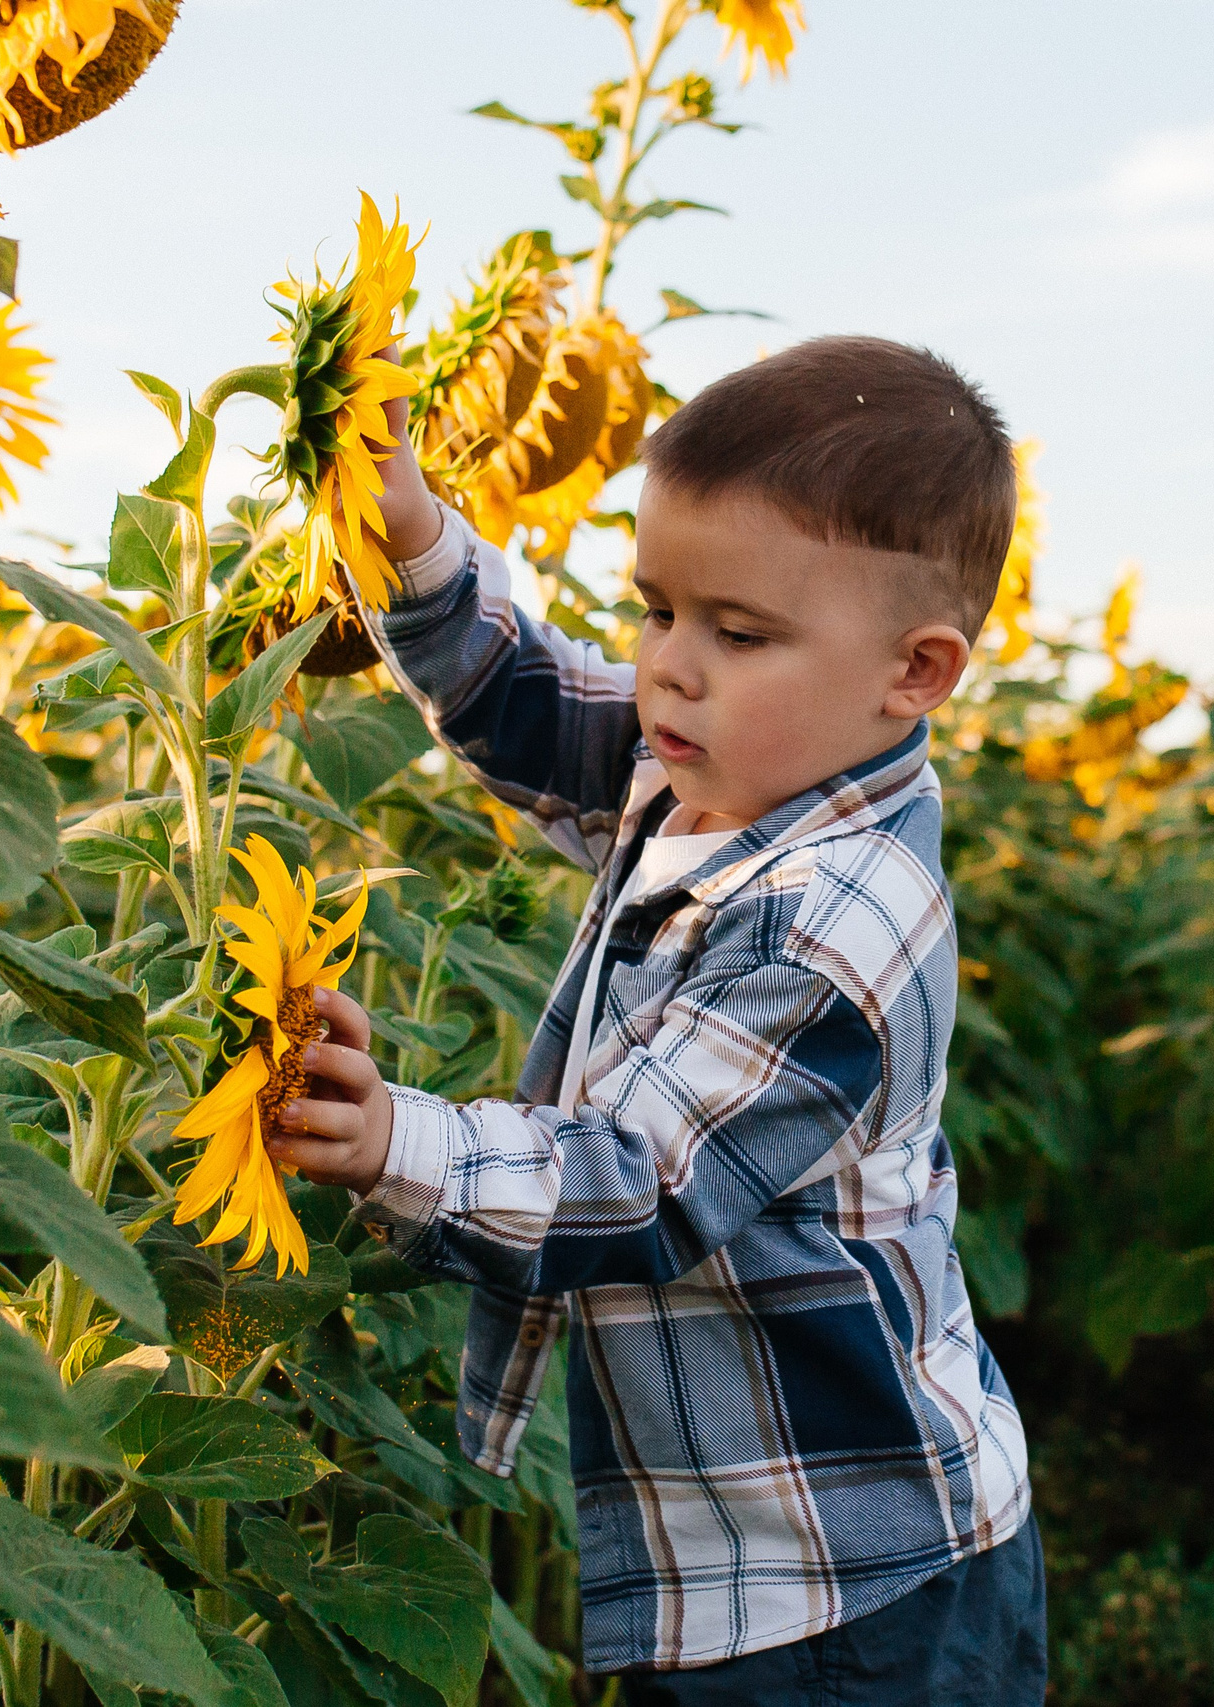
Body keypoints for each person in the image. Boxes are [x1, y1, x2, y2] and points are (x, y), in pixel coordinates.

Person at [270, 335, 1043, 1704]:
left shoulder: (833, 920)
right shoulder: (739, 773)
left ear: (917, 672)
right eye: (657, 610)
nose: (671, 670)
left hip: (848, 1587)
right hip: (754, 1551)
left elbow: (638, 1186)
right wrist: (411, 536)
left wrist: (397, 1141)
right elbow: (530, 706)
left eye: (737, 633)